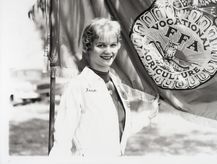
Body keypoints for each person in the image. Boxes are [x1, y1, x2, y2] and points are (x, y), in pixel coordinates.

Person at [49, 18, 158, 157]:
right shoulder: (78, 87)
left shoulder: (116, 84)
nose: (108, 51)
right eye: (101, 45)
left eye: (113, 45)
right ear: (88, 47)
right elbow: (62, 140)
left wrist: (150, 113)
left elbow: (119, 127)